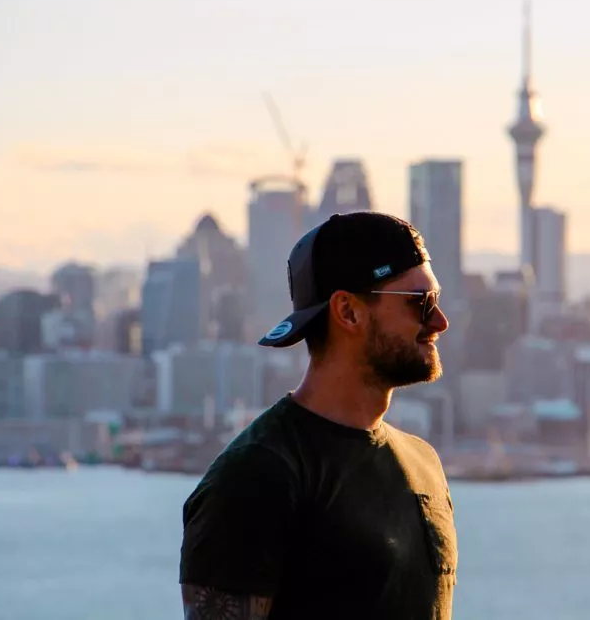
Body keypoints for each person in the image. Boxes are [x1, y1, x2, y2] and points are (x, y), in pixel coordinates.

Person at [179, 211, 458, 620]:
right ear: (347, 312)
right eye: (421, 302)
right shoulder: (258, 475)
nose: (440, 322)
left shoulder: (424, 463)